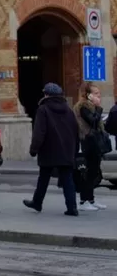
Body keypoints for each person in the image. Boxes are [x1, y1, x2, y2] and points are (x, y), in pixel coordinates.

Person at [24, 82, 80, 217]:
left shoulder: (43, 109)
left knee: (43, 177)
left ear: (46, 94)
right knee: (67, 178)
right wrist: (75, 149)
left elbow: (39, 132)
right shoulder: (68, 110)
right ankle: (72, 207)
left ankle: (37, 202)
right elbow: (75, 131)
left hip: (48, 149)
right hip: (67, 149)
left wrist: (34, 149)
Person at [74, 81, 108, 212]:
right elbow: (93, 121)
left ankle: (91, 199)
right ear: (87, 95)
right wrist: (98, 109)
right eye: (96, 93)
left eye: (99, 93)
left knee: (94, 172)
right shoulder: (83, 107)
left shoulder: (91, 107)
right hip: (87, 143)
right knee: (87, 173)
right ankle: (83, 201)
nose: (99, 96)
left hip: (94, 143)